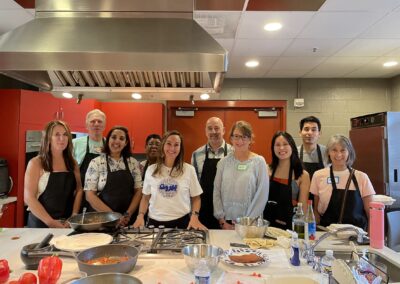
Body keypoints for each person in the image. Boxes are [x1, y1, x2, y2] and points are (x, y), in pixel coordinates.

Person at [133, 130, 207, 230]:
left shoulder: (189, 170)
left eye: (176, 145)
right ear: (163, 145)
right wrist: (140, 216)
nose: (172, 148)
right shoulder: (151, 170)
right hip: (154, 222)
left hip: (182, 222)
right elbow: (145, 198)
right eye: (169, 144)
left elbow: (196, 198)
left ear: (180, 148)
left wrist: (195, 216)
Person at [24, 120, 83, 228]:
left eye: (65, 134)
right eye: (57, 135)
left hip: (66, 223)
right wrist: (51, 222)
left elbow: (79, 189)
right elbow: (29, 198)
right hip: (41, 224)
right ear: (48, 139)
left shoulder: (72, 162)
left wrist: (74, 215)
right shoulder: (36, 163)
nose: (62, 138)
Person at [310, 134, 375, 230]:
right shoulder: (318, 175)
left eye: (343, 150)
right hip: (326, 232)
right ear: (328, 152)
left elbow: (371, 213)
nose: (338, 155)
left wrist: (371, 238)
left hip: (356, 235)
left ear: (349, 152)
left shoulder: (362, 177)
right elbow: (315, 209)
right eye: (334, 150)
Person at [213, 121, 269, 230]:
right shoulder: (223, 163)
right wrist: (222, 221)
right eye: (236, 136)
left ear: (250, 139)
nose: (240, 141)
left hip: (251, 224)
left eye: (244, 137)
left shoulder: (259, 162)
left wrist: (247, 223)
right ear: (231, 138)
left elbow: (262, 194)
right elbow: (216, 191)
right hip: (226, 223)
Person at [84, 126, 143, 226]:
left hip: (127, 221)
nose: (117, 141)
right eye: (114, 137)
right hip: (102, 220)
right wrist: (113, 217)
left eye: (121, 138)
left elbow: (138, 191)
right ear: (108, 140)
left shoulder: (133, 163)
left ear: (126, 143)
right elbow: (90, 195)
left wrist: (128, 214)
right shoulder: (96, 163)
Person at [191, 117, 233, 229]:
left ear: (223, 130)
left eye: (217, 128)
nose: (213, 132)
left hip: (227, 211)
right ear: (205, 131)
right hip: (203, 210)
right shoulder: (196, 155)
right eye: (210, 128)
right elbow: (193, 187)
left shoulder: (233, 153)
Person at [264, 131, 310, 230]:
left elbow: (303, 209)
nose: (281, 148)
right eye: (277, 145)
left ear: (292, 147)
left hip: (290, 229)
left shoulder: (302, 175)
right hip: (267, 226)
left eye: (285, 144)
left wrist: (300, 232)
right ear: (273, 148)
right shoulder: (266, 170)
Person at [72, 109, 106, 189]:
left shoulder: (110, 144)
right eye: (93, 121)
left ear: (104, 126)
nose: (96, 124)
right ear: (87, 125)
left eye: (100, 121)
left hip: (104, 191)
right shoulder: (74, 143)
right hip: (81, 189)